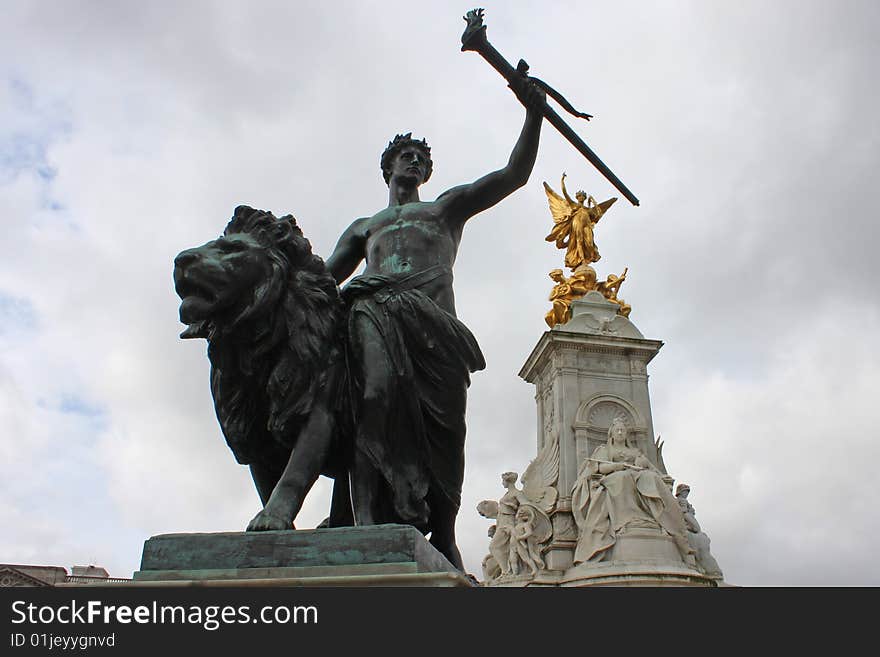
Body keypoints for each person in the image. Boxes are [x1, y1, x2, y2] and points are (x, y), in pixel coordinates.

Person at [323, 80, 545, 569]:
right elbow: (321, 280)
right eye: (405, 155)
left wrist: (534, 115)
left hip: (436, 332)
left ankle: (443, 528)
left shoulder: (443, 209)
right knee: (371, 400)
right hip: (375, 315)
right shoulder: (365, 227)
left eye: (420, 158)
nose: (413, 162)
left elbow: (513, 175)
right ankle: (362, 518)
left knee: (448, 431)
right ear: (388, 167)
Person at [571, 418, 695, 566]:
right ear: (611, 433)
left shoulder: (634, 451)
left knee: (651, 478)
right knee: (623, 478)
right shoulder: (604, 450)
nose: (620, 432)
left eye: (622, 430)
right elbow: (599, 468)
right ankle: (626, 521)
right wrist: (616, 467)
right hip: (614, 476)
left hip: (637, 475)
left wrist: (658, 474)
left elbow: (650, 467)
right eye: (617, 430)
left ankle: (658, 520)